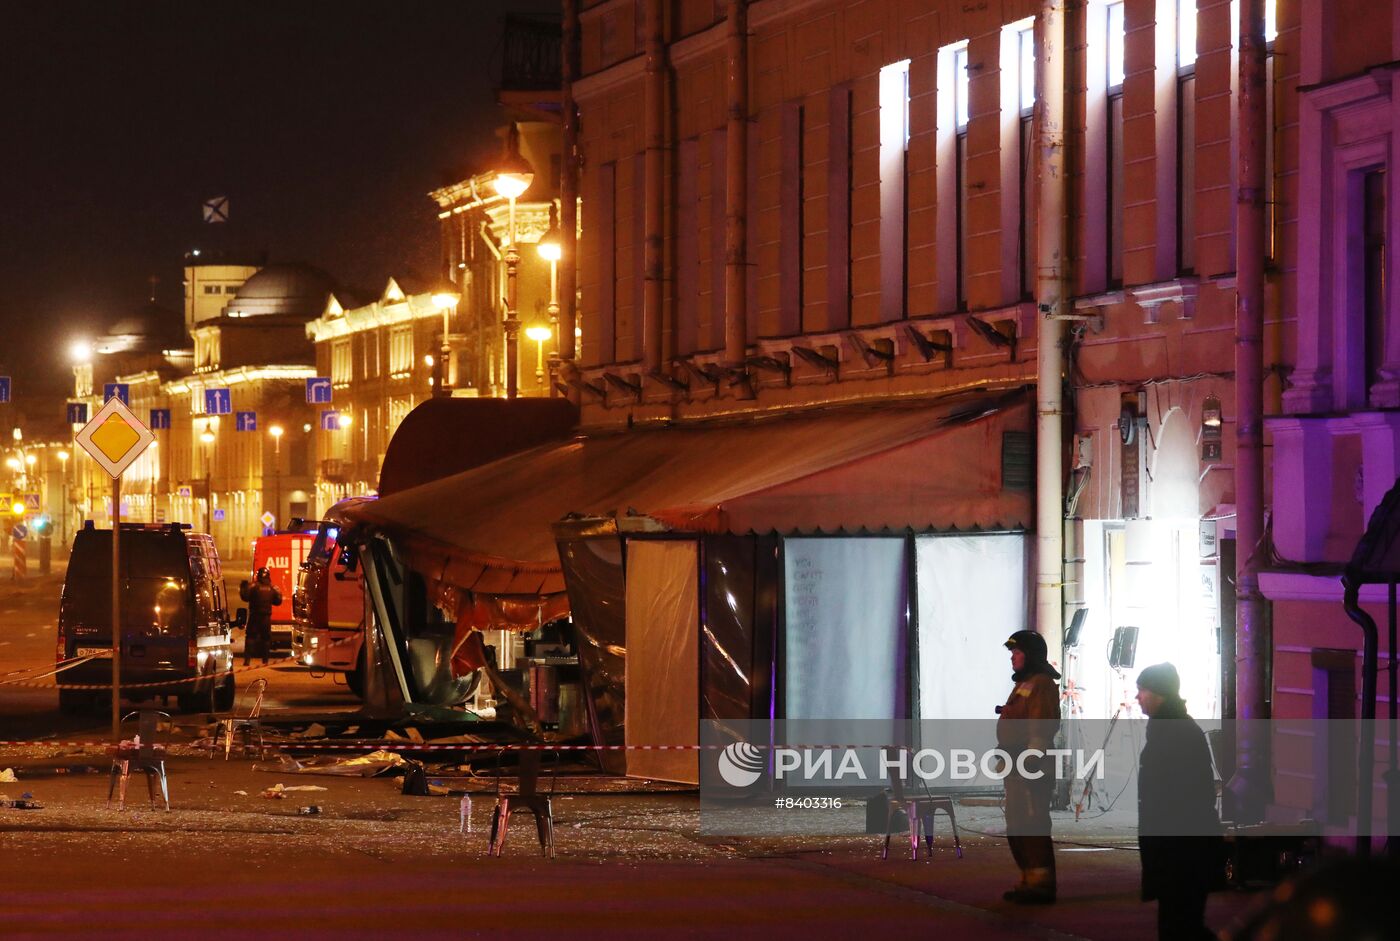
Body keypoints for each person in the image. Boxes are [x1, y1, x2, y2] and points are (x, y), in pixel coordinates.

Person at [1135, 662, 1222, 941]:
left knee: (1180, 924)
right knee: (1180, 921)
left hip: (1180, 848)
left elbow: (1188, 793)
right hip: (1177, 847)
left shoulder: (1175, 732)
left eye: (1143, 690)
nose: (1138, 697)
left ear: (1159, 693)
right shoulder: (1169, 729)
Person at [997, 629, 1061, 904]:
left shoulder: (1042, 684)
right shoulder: (1026, 682)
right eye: (1012, 653)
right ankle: (1028, 878)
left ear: (1031, 655)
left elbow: (1041, 726)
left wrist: (1032, 759)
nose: (1012, 658)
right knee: (1017, 822)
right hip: (1016, 763)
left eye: (1017, 653)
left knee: (1032, 821)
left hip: (1030, 765)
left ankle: (1041, 883)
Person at [239, 567, 281, 666]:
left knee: (250, 637)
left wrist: (243, 587)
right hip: (266, 617)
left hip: (254, 616)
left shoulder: (253, 586)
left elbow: (245, 597)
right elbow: (278, 602)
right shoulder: (272, 588)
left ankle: (247, 660)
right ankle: (265, 660)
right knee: (266, 639)